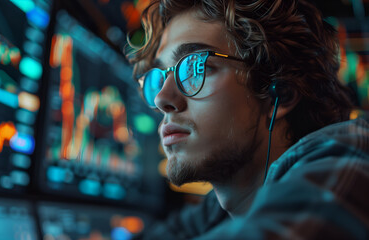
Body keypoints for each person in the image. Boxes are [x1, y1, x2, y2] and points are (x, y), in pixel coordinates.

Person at [127, 0, 369, 239]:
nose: (162, 98)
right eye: (160, 77)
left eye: (196, 67)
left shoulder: (348, 153)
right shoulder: (220, 207)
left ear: (280, 92)